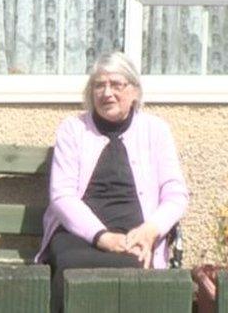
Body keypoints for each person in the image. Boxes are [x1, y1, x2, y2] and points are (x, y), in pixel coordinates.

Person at [36, 52, 188, 312]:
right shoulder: (72, 129)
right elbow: (62, 196)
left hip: (136, 232)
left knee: (135, 264)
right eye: (99, 85)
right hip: (79, 232)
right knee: (72, 265)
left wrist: (150, 231)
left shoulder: (155, 130)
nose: (107, 93)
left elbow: (176, 194)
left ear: (135, 92)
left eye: (116, 84)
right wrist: (102, 237)